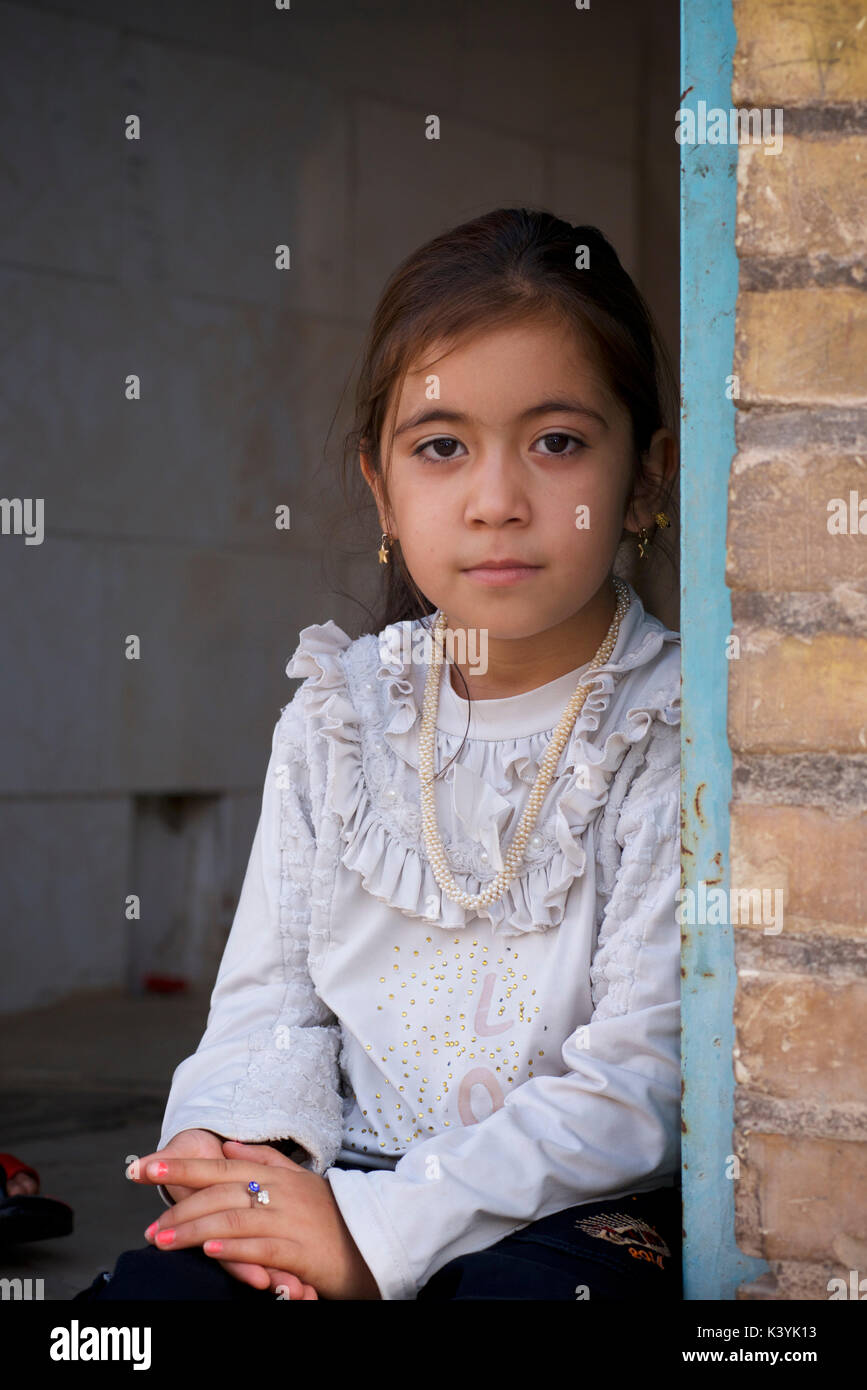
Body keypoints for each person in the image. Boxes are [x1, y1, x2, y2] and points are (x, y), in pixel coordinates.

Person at [73, 207, 683, 1302]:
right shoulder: (339, 716)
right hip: (337, 1176)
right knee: (142, 1311)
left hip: (568, 1214)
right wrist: (228, 1154)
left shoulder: (670, 722)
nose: (496, 501)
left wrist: (373, 1236)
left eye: (557, 442)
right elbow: (267, 1004)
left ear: (643, 478)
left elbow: (639, 1081)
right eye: (441, 447)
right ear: (382, 489)